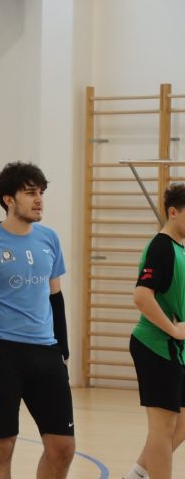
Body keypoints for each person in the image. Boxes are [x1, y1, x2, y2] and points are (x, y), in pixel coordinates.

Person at [0, 161, 74, 479]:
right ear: (8, 199)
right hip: (2, 353)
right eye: (30, 193)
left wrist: (63, 352)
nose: (39, 200)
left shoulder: (49, 239)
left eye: (41, 193)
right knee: (2, 446)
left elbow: (56, 299)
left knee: (63, 447)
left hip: (46, 352)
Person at [123, 183, 185, 479]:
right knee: (163, 427)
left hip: (175, 349)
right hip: (155, 345)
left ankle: (136, 475)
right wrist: (172, 329)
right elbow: (141, 295)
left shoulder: (179, 248)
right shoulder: (161, 247)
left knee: (180, 423)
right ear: (173, 212)